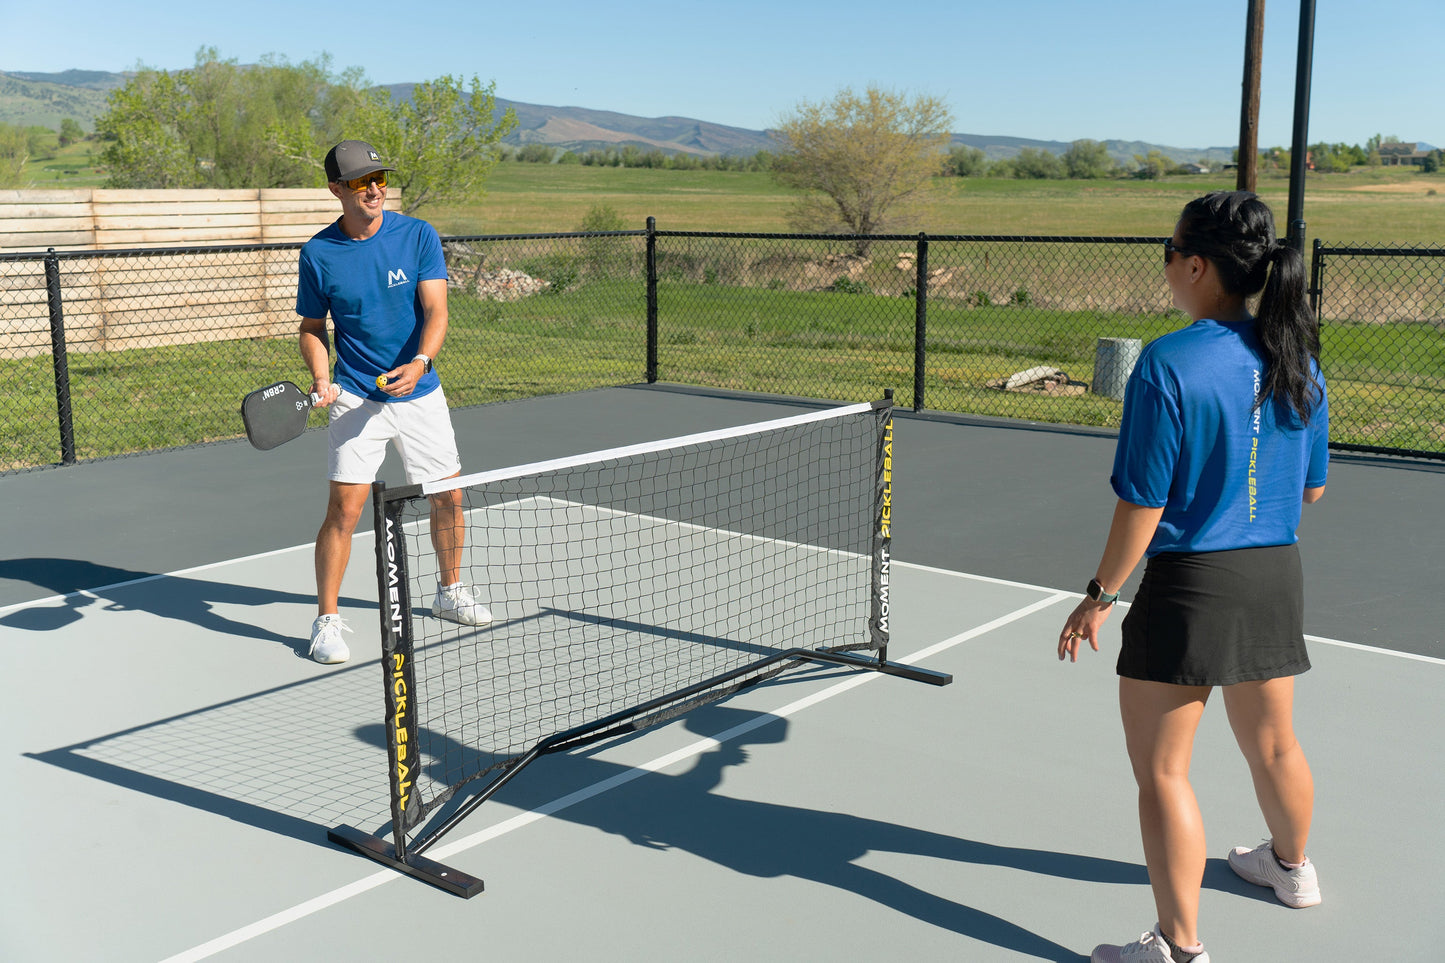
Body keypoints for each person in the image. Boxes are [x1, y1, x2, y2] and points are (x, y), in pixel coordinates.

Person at [1057, 191, 1329, 963]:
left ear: (1197, 264)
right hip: (1274, 576)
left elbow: (1141, 503)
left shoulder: (1166, 363)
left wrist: (1099, 596)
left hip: (1189, 590)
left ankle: (1177, 948)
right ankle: (1289, 867)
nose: (1167, 265)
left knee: (1163, 773)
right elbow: (1308, 488)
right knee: (1274, 744)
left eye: (1169, 251)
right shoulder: (1296, 356)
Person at [297, 139, 490, 665]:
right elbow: (313, 329)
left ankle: (449, 591)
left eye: (379, 177)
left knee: (447, 496)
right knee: (345, 510)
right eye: (361, 181)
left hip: (420, 391)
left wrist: (421, 363)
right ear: (337, 189)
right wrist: (320, 376)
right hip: (354, 396)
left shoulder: (417, 235)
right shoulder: (318, 254)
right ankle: (327, 622)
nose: (375, 188)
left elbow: (437, 312)